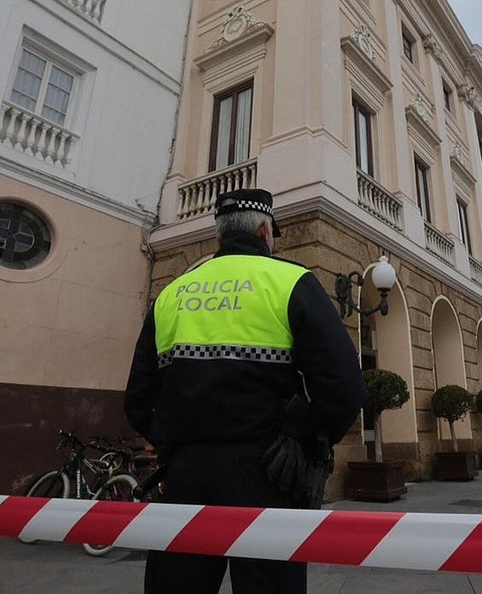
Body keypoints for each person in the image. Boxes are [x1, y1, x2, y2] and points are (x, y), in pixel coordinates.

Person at [124, 188, 364, 594]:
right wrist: (311, 438)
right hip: (268, 474)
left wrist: (170, 442)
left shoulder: (174, 293)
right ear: (265, 230)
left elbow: (138, 399)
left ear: (219, 237)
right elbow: (343, 387)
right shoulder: (290, 281)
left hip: (186, 476)